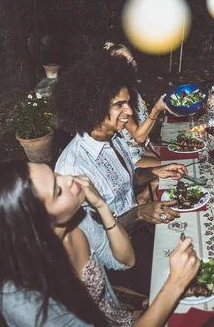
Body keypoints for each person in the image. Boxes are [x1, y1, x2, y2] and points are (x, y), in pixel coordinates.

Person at [0, 160, 200, 327]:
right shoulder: (24, 302)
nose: (68, 178)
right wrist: (175, 284)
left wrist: (100, 205)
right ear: (37, 226)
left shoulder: (76, 219)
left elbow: (125, 260)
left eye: (54, 173)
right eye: (57, 190)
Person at [53, 50, 187, 294]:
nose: (130, 111)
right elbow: (95, 242)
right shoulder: (72, 168)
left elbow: (128, 179)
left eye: (128, 103)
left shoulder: (113, 137)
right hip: (116, 262)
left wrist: (157, 172)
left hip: (140, 233)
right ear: (92, 107)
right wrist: (139, 214)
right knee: (182, 285)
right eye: (119, 105)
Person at [104, 42, 163, 168]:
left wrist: (149, 144)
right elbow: (138, 136)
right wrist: (156, 109)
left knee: (177, 158)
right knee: (169, 167)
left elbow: (141, 136)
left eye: (132, 59)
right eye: (127, 62)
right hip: (127, 157)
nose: (134, 64)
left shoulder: (130, 88)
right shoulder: (117, 95)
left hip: (139, 150)